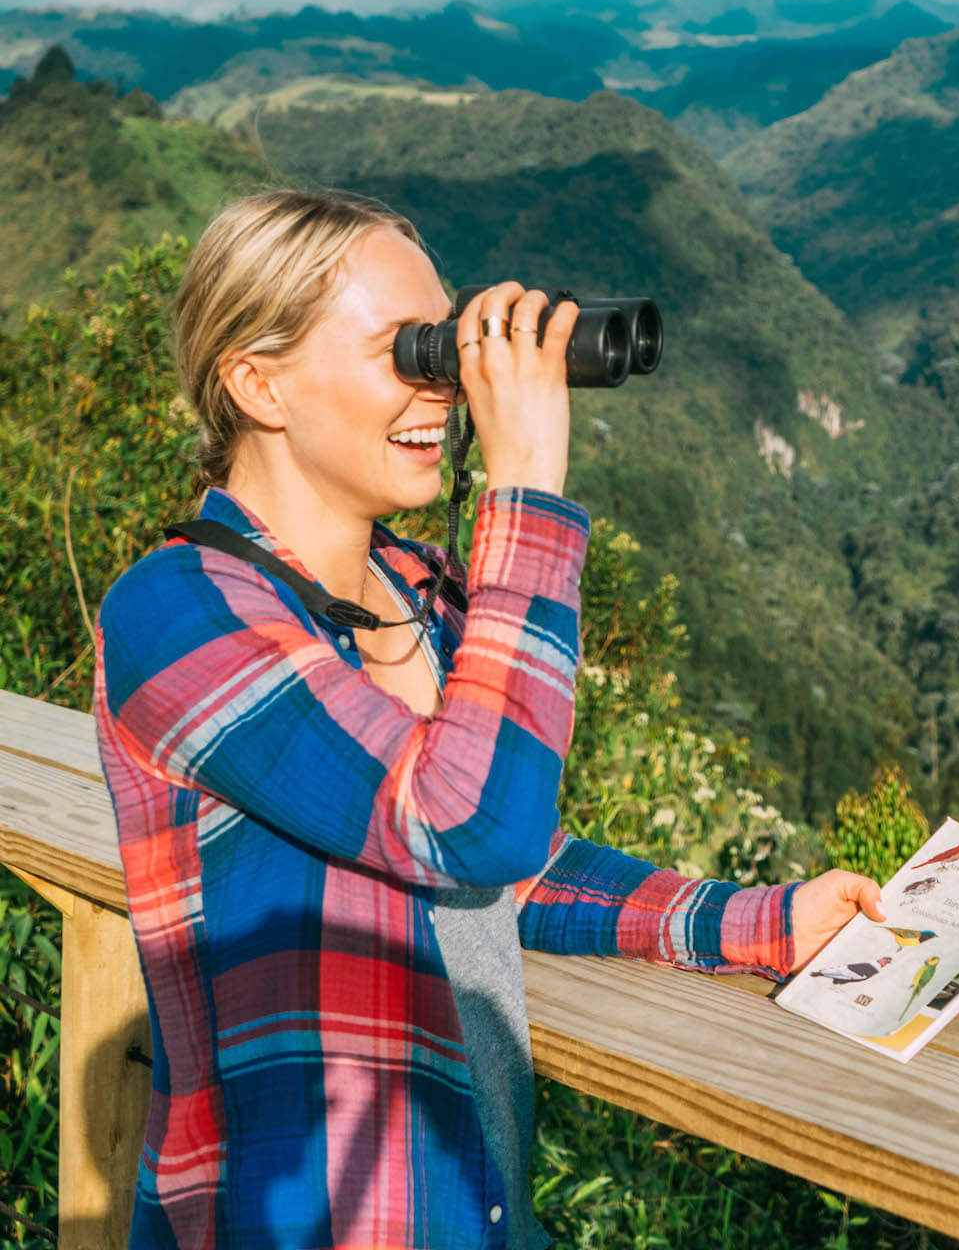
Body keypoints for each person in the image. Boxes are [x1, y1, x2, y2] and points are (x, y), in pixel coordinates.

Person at [94, 189, 885, 1250]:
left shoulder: (420, 590)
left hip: (467, 1207)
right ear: (258, 381)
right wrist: (526, 492)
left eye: (446, 344)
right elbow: (462, 822)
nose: (445, 384)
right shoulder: (177, 611)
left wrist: (758, 921)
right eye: (404, 350)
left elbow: (507, 869)